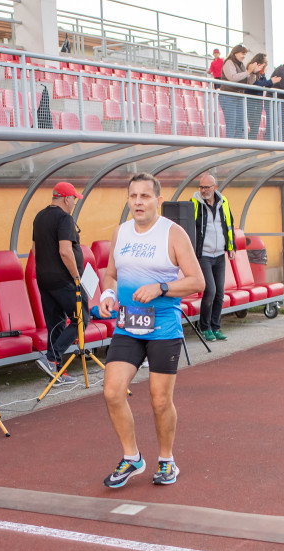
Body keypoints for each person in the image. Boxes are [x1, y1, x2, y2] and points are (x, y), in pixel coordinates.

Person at [98, 173, 204, 488]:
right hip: (129, 325)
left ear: (158, 200)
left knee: (159, 400)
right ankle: (132, 458)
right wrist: (107, 295)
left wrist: (161, 287)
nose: (138, 202)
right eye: (133, 196)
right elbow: (111, 274)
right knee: (112, 391)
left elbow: (197, 281)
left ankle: (167, 460)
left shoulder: (174, 234)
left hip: (163, 327)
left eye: (145, 196)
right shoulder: (121, 233)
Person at [31, 181, 87, 383]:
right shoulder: (64, 219)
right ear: (66, 198)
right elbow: (65, 250)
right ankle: (51, 358)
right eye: (74, 199)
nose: (74, 203)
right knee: (82, 317)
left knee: (56, 323)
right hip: (64, 280)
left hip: (44, 279)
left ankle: (55, 371)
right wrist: (76, 277)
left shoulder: (40, 217)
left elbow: (34, 250)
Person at [190, 173, 236, 341]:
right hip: (204, 255)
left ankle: (216, 327)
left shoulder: (223, 202)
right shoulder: (193, 204)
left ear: (215, 187)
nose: (203, 190)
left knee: (219, 293)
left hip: (219, 254)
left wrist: (231, 247)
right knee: (210, 290)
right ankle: (205, 327)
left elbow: (229, 225)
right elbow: (187, 229)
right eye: (201, 187)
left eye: (206, 187)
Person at [219, 44, 255, 139]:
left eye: (245, 54)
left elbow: (248, 82)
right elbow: (232, 77)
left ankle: (236, 145)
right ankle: (229, 146)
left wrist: (253, 73)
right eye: (242, 54)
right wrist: (247, 72)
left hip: (238, 97)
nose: (243, 56)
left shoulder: (241, 65)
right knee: (232, 123)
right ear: (235, 53)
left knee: (241, 125)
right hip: (228, 96)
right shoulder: (229, 62)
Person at [245, 53, 279, 141]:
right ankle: (249, 144)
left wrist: (271, 82)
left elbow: (264, 83)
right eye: (265, 61)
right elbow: (255, 84)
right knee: (253, 125)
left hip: (258, 102)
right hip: (251, 101)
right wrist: (270, 82)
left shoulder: (261, 73)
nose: (266, 64)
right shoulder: (251, 69)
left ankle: (252, 143)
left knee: (255, 126)